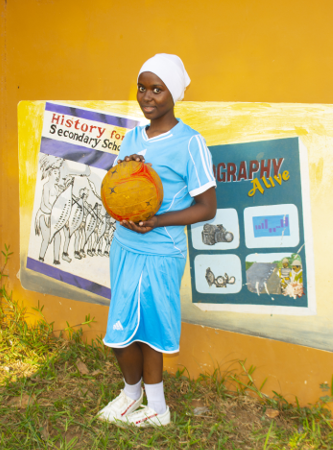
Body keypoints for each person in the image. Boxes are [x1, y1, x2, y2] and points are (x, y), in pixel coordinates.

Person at [97, 54, 217, 427]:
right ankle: (130, 394)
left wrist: (158, 221)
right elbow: (120, 190)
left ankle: (158, 408)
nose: (147, 96)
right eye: (142, 87)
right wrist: (126, 170)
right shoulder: (132, 137)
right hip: (125, 246)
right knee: (121, 332)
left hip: (162, 251)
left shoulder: (190, 143)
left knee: (151, 330)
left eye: (157, 89)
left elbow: (207, 207)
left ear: (173, 94)